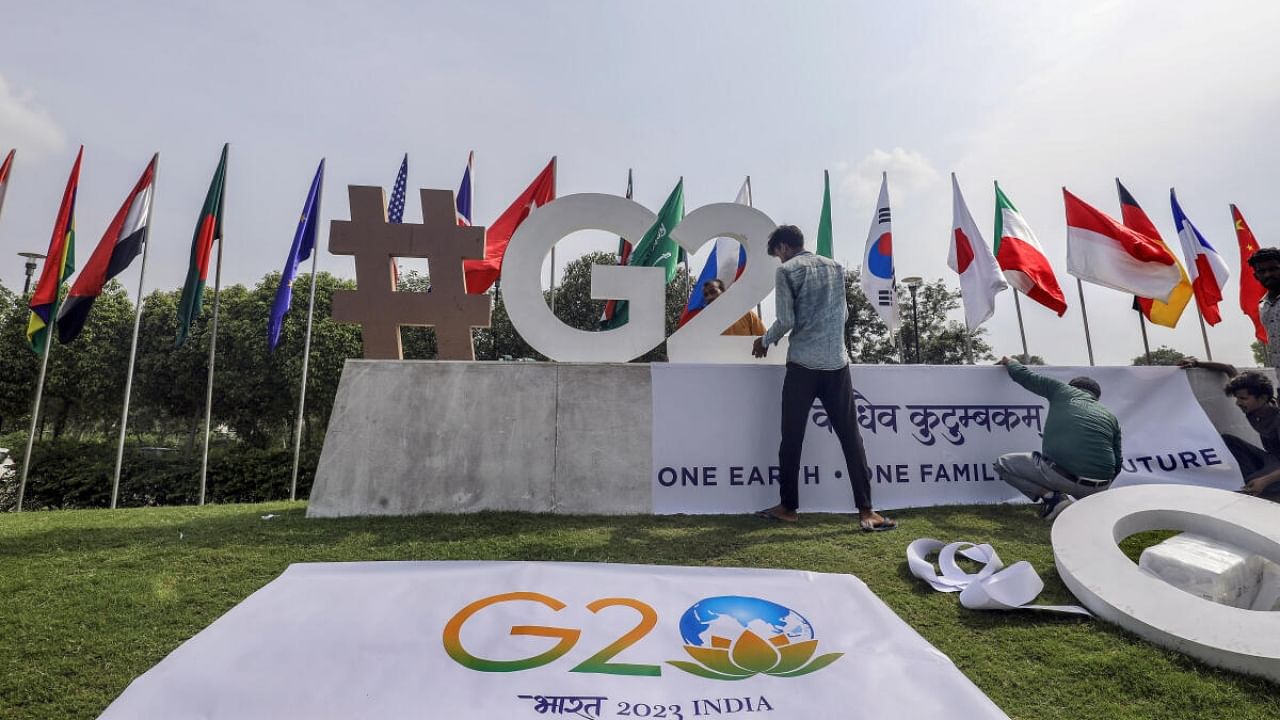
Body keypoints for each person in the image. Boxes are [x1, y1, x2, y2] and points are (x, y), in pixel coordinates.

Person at [750, 224, 895, 531]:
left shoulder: (788, 270)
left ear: (783, 247)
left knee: (791, 438)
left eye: (777, 254)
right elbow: (842, 315)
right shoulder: (836, 267)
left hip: (803, 364)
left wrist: (764, 340)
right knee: (851, 439)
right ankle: (867, 511)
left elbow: (787, 320)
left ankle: (788, 507)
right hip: (837, 364)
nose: (779, 260)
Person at [993, 357, 1122, 520]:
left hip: (1060, 477)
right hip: (1098, 489)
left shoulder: (1062, 390)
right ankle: (1090, 504)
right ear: (1096, 397)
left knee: (1003, 464)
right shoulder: (1109, 415)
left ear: (1072, 387)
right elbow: (1118, 464)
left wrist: (1010, 361)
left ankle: (1052, 498)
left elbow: (1024, 376)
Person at [1179, 358, 1280, 501]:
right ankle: (1252, 480)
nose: (1238, 403)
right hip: (1272, 459)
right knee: (1228, 440)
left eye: (1243, 399)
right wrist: (1196, 363)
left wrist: (1264, 481)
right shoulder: (1253, 409)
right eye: (1237, 398)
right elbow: (1229, 369)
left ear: (1262, 398)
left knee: (1254, 482)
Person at [700, 278, 767, 336]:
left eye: (713, 291)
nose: (709, 296)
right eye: (706, 295)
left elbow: (764, 339)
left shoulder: (746, 315)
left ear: (723, 292)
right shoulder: (705, 324)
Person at [1248, 247, 1280, 367]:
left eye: (1273, 269)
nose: (1268, 274)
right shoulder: (1263, 306)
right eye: (1262, 271)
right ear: (1256, 276)